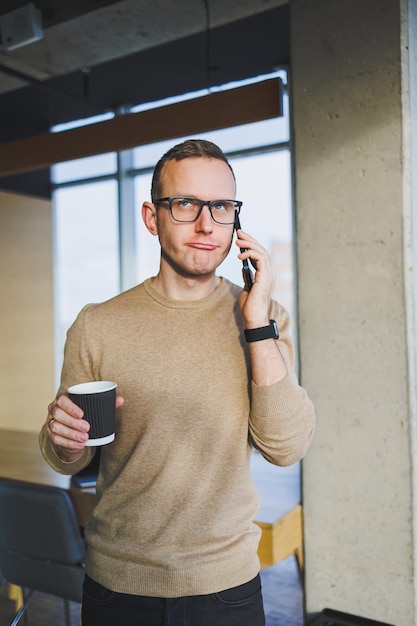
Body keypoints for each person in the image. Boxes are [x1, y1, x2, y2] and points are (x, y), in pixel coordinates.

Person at [40, 138, 316, 626]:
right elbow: (72, 455)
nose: (208, 224)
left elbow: (285, 446)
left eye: (223, 206)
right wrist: (62, 439)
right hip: (118, 586)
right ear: (152, 217)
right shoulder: (97, 324)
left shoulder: (265, 319)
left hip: (225, 589)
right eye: (186, 203)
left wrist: (256, 326)